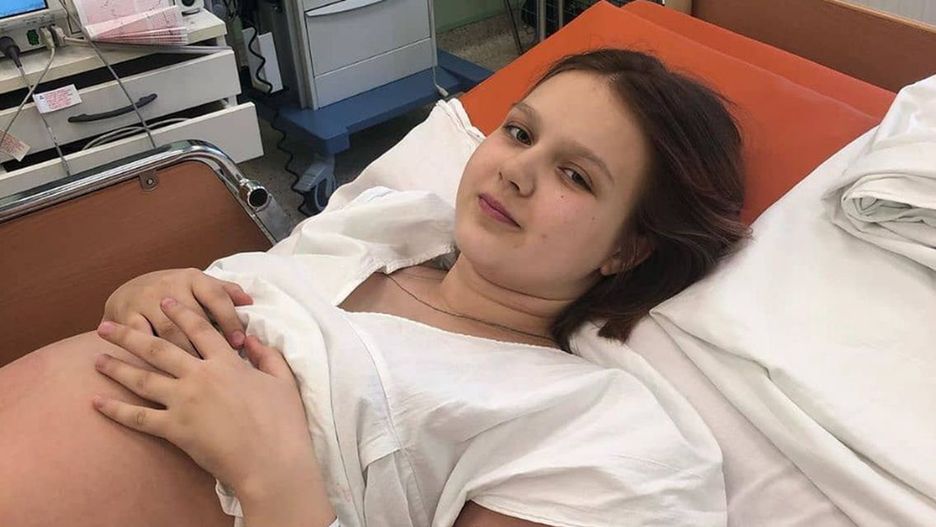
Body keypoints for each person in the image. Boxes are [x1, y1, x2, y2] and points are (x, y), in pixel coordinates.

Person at [0, 49, 748, 527]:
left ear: (626, 248)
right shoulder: (382, 227)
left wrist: (275, 477)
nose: (516, 170)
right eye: (520, 133)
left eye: (575, 176)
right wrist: (155, 294)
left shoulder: (594, 427)